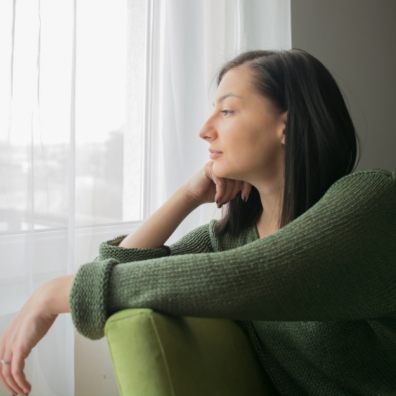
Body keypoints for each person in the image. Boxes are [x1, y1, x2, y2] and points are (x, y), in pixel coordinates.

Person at [1, 48, 395, 395]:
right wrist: (187, 197)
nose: (205, 130)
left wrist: (55, 294)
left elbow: (252, 275)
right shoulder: (234, 237)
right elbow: (120, 267)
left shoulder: (370, 201)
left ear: (285, 125)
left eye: (227, 110)